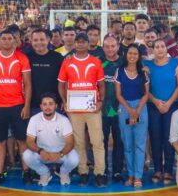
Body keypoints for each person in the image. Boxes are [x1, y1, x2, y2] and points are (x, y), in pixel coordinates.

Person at [0, 29, 32, 184]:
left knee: (22, 141)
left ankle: (26, 171)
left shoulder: (21, 58)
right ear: (0, 41)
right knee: (0, 140)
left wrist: (27, 106)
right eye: (3, 38)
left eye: (9, 38)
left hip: (18, 105)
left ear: (15, 41)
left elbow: (28, 84)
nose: (6, 41)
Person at [57, 33, 107, 186]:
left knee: (97, 141)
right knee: (78, 143)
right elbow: (61, 84)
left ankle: (100, 173)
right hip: (74, 110)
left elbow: (101, 85)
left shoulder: (95, 62)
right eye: (77, 42)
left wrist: (100, 102)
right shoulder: (67, 62)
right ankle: (83, 171)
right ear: (75, 44)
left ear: (88, 43)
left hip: (92, 109)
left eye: (83, 42)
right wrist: (65, 101)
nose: (80, 45)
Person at [147, 39, 178, 184]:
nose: (160, 49)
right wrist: (156, 101)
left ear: (166, 48)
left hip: (172, 106)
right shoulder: (147, 65)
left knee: (169, 138)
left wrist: (168, 103)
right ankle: (157, 169)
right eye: (157, 47)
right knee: (155, 138)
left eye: (162, 46)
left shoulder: (176, 63)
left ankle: (168, 170)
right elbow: (144, 88)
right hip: (153, 106)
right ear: (153, 50)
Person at [22, 94, 80, 186]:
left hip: (61, 153)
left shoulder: (64, 120)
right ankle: (44, 173)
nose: (47, 107)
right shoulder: (34, 119)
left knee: (75, 158)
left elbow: (70, 143)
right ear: (41, 106)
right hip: (43, 153)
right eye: (44, 104)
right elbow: (29, 142)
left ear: (56, 106)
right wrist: (40, 151)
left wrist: (60, 153)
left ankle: (64, 172)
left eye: (51, 104)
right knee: (26, 155)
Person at [115, 43, 149, 187]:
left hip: (141, 107)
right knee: (128, 144)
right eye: (130, 53)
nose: (133, 56)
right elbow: (118, 94)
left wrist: (137, 111)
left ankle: (138, 176)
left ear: (139, 56)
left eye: (135, 53)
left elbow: (146, 94)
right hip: (124, 108)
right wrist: (130, 111)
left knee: (140, 144)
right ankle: (130, 174)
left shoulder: (143, 72)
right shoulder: (119, 71)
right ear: (125, 55)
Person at [100, 35, 124, 183]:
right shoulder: (97, 62)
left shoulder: (125, 62)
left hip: (120, 109)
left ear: (118, 46)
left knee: (119, 141)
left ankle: (117, 171)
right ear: (103, 47)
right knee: (100, 142)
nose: (110, 49)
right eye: (107, 46)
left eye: (113, 46)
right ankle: (101, 171)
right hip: (101, 109)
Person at [25, 29, 64, 107]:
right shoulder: (27, 57)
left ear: (48, 40)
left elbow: (64, 81)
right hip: (33, 105)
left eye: (42, 39)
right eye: (35, 40)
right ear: (31, 41)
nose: (39, 42)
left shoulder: (57, 57)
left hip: (55, 104)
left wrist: (64, 100)